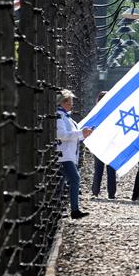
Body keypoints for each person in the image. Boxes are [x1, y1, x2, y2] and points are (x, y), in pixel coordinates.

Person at [55, 89, 93, 219]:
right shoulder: (59, 116)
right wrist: (80, 133)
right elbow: (61, 135)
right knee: (74, 179)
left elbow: (73, 136)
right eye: (70, 102)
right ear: (64, 102)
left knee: (62, 183)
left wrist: (84, 134)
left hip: (69, 155)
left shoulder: (66, 117)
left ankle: (61, 209)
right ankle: (74, 210)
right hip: (64, 155)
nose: (72, 105)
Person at [91, 91, 117, 199]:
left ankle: (95, 191)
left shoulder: (95, 113)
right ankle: (111, 193)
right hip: (109, 143)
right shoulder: (113, 112)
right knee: (111, 169)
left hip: (99, 143)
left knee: (98, 169)